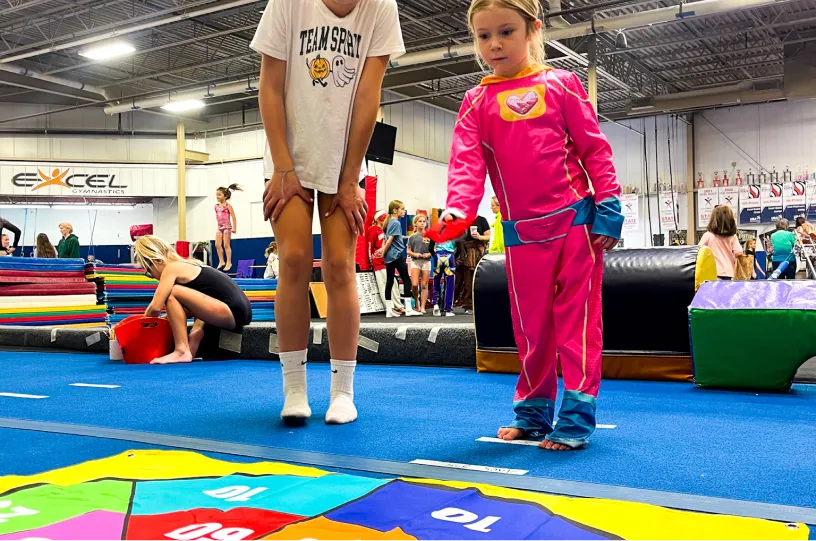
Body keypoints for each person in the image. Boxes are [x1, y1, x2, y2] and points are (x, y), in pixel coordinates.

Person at [431, 0, 622, 450]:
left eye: (506, 32)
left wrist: (610, 207)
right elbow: (466, 162)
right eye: (483, 36)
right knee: (531, 329)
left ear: (532, 29)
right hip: (520, 234)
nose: (494, 44)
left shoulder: (562, 84)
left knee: (576, 324)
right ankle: (534, 413)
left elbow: (595, 148)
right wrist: (458, 211)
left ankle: (575, 418)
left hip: (575, 226)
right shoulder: (476, 101)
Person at [251, 0, 405, 425]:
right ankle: (295, 388)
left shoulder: (380, 7)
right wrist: (282, 166)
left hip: (346, 158)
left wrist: (351, 176)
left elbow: (369, 93)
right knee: (295, 259)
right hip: (289, 153)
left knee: (340, 265)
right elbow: (271, 85)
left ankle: (342, 391)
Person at [134, 235, 252, 365]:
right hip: (240, 312)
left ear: (157, 261)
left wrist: (137, 330)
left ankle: (181, 351)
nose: (152, 277)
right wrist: (166, 318)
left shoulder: (171, 268)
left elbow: (155, 308)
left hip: (230, 311)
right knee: (179, 299)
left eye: (149, 273)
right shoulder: (191, 264)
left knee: (172, 293)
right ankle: (192, 346)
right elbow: (193, 307)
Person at [377, 200, 421, 318]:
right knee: (406, 279)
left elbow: (385, 240)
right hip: (396, 255)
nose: (404, 211)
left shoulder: (388, 222)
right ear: (395, 210)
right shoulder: (395, 223)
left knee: (390, 281)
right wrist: (383, 252)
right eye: (402, 208)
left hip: (389, 257)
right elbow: (390, 240)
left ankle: (389, 310)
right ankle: (408, 308)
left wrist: (383, 252)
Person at [367, 210, 404, 316]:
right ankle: (390, 307)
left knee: (394, 284)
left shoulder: (386, 231)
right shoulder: (373, 230)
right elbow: (370, 246)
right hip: (379, 262)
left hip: (388, 261)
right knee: (384, 285)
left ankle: (398, 306)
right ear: (378, 219)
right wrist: (372, 262)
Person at [454, 215, 490, 312]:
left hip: (476, 252)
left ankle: (471, 303)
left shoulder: (481, 220)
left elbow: (488, 236)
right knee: (460, 279)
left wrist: (479, 236)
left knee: (474, 277)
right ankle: (457, 302)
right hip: (462, 252)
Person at [698, 206, 743, 280]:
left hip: (712, 271)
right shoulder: (733, 237)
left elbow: (698, 250)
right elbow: (739, 252)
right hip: (728, 272)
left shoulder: (708, 235)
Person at [407, 214, 432, 314]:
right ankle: (416, 302)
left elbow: (434, 250)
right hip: (415, 261)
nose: (422, 223)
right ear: (415, 223)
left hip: (426, 261)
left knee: (424, 284)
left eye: (424, 221)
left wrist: (429, 254)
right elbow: (408, 251)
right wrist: (415, 254)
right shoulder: (412, 237)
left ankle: (422, 307)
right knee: (414, 284)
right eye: (420, 221)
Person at [214, 184, 242, 272]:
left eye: (219, 195)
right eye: (216, 195)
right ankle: (221, 261)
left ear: (225, 196)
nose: (217, 196)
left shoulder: (227, 206)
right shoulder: (216, 206)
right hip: (220, 227)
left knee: (226, 245)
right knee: (217, 245)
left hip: (227, 227)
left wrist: (234, 228)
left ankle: (229, 262)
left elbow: (233, 217)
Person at [432, 239, 457, 317]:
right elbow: (459, 248)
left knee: (436, 282)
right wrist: (453, 256)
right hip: (450, 256)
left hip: (438, 255)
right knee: (450, 284)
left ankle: (435, 304)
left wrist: (435, 255)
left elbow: (430, 247)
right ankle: (448, 310)